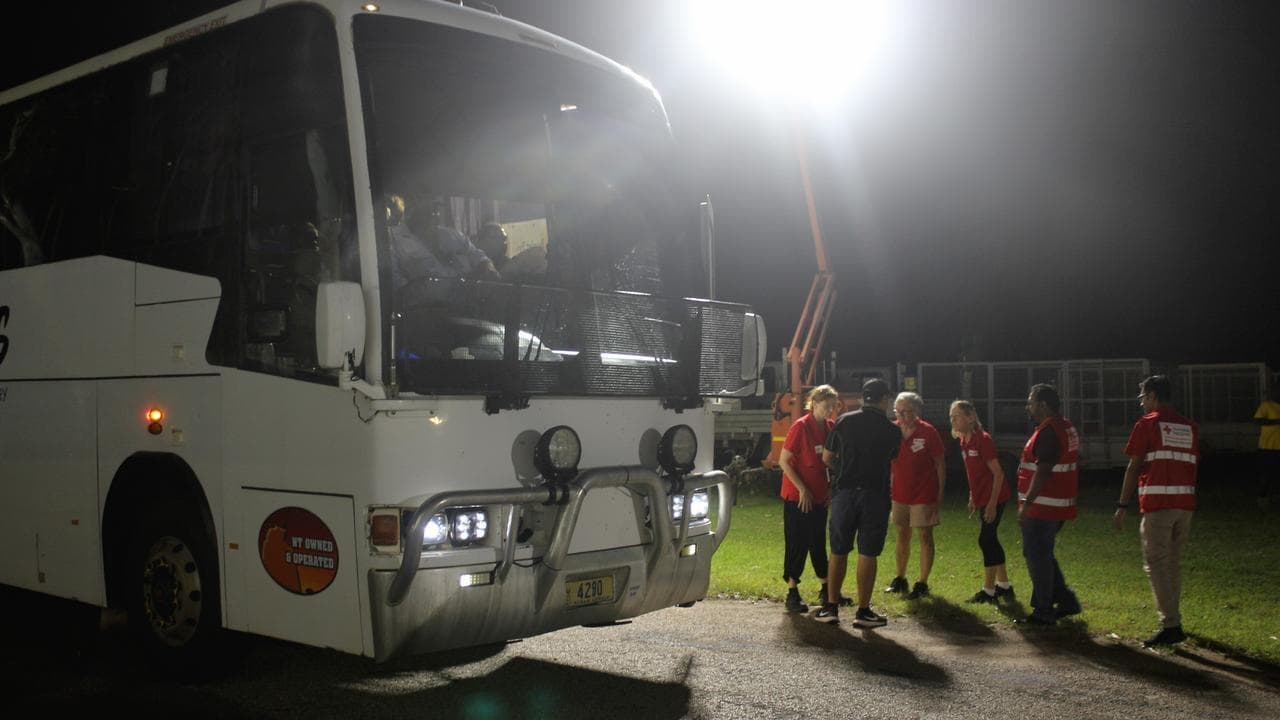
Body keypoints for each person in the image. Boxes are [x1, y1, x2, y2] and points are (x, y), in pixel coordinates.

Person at [1113, 375, 1200, 647]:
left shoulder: (1147, 424)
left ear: (1152, 396)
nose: (1141, 403)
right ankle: (1175, 619)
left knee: (1157, 564)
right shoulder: (1189, 426)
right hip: (1184, 504)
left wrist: (1122, 505)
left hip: (1158, 505)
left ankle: (1171, 625)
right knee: (1172, 563)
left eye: (1142, 397)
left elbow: (1133, 466)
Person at [817, 378, 901, 627]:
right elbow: (892, 457)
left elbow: (827, 457)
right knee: (868, 552)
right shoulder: (891, 429)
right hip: (875, 494)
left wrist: (842, 469)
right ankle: (863, 612)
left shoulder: (845, 421)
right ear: (884, 399)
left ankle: (831, 607)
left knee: (838, 550)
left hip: (844, 493)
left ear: (864, 398)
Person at [1015, 383, 1082, 627]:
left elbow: (1042, 472)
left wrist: (1026, 503)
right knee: (1043, 554)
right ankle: (1065, 600)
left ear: (1043, 405)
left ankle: (1044, 611)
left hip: (1043, 506)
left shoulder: (1048, 431)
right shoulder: (1065, 426)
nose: (1028, 406)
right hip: (1057, 504)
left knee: (1037, 556)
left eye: (1031, 401)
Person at [777, 384, 838, 613]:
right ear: (814, 403)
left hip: (820, 495)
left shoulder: (831, 428)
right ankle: (792, 591)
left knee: (818, 541)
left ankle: (826, 588)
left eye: (832, 407)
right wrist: (802, 489)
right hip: (798, 497)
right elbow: (784, 461)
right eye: (825, 406)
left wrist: (831, 486)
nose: (829, 411)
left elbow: (830, 462)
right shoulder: (800, 427)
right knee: (797, 541)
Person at [949, 400, 1015, 604]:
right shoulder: (963, 440)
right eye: (951, 416)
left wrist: (992, 503)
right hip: (983, 498)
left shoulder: (982, 439)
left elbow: (998, 473)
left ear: (970, 417)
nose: (953, 420)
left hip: (995, 497)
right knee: (991, 538)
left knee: (986, 539)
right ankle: (1004, 586)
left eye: (957, 416)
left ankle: (988, 590)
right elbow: (973, 473)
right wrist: (972, 495)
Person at [884, 392, 945, 600]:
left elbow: (939, 463)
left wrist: (940, 492)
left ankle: (922, 582)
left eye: (905, 411)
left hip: (924, 492)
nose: (900, 415)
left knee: (925, 536)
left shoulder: (928, 432)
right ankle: (900, 578)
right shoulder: (892, 430)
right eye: (897, 411)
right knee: (902, 534)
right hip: (900, 492)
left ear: (916, 411)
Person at [387, 194, 499, 295]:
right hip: (426, 310)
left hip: (470, 301)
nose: (435, 214)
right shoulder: (393, 239)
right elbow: (398, 288)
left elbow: (477, 255)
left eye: (435, 209)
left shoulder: (453, 235)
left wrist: (487, 265)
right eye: (427, 210)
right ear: (410, 211)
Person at [474, 221, 547, 282]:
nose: (503, 242)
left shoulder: (509, 264)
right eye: (496, 237)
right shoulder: (475, 264)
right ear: (481, 240)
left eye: (504, 238)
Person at [1253, 381, 1280, 512]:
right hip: (1267, 447)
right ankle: (1262, 501)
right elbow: (1257, 421)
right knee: (1266, 474)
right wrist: (1275, 421)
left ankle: (1275, 498)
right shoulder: (1266, 405)